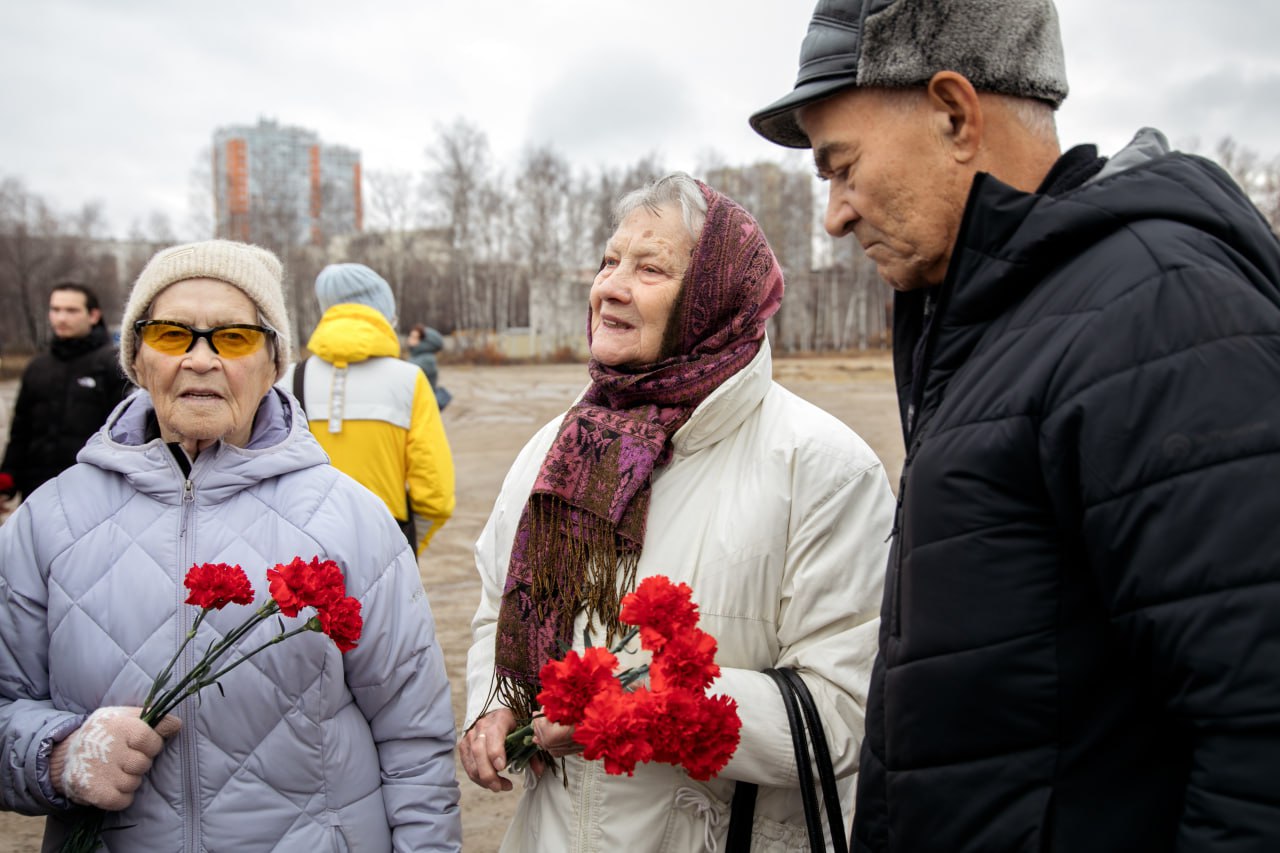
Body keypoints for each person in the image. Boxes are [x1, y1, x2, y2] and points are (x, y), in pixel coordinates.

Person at [750, 1, 1280, 850]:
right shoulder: (1004, 318)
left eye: (841, 167)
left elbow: (1258, 730)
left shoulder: (1157, 313)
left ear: (955, 115)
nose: (835, 215)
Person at [460, 173, 896, 851]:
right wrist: (496, 707)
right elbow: (498, 608)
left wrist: (639, 708)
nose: (609, 287)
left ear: (713, 301)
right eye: (609, 261)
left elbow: (845, 711)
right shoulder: (557, 449)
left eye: (650, 268)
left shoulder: (823, 467)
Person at [0, 240, 462, 851]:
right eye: (171, 335)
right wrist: (57, 755)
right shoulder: (49, 520)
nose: (200, 359)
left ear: (274, 364)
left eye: (234, 337)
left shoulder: (352, 519)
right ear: (136, 357)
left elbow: (414, 735)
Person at [281, 264, 455, 554]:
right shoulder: (410, 381)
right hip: (383, 543)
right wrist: (405, 546)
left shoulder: (285, 380)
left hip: (299, 553)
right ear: (384, 313)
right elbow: (436, 496)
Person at [0, 282, 129, 502]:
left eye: (71, 310)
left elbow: (127, 435)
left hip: (92, 493)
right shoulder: (37, 367)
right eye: (55, 309)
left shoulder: (114, 365)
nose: (61, 318)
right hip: (37, 492)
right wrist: (7, 478)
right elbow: (21, 430)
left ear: (93, 315)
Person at [406, 323, 452, 412]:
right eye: (410, 336)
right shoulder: (417, 356)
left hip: (422, 405)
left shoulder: (427, 360)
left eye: (414, 337)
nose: (409, 339)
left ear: (425, 343)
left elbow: (406, 374)